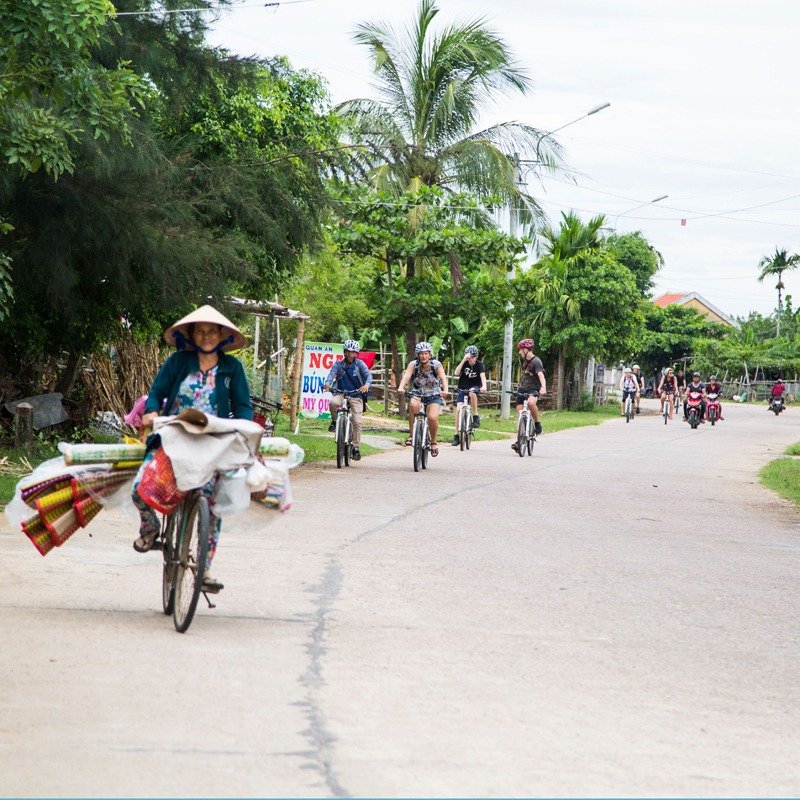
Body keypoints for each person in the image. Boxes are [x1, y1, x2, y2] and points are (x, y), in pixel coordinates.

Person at [133, 305, 253, 593]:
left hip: (214, 442)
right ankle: (150, 530)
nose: (207, 336)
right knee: (141, 487)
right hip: (174, 436)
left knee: (212, 506)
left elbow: (243, 406)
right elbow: (157, 394)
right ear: (191, 334)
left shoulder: (232, 369)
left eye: (212, 331)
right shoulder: (177, 362)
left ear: (223, 335)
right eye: (201, 331)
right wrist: (151, 412)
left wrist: (243, 428)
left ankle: (205, 568)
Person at [323, 339, 372, 461]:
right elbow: (331, 375)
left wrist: (366, 385)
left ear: (357, 353)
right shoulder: (338, 364)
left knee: (357, 421)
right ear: (344, 352)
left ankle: (356, 447)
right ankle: (334, 422)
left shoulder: (359, 364)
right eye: (348, 352)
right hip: (340, 392)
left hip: (356, 394)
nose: (350, 354)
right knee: (333, 403)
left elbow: (368, 376)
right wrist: (328, 383)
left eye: (353, 352)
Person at [397, 341, 449, 457]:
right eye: (421, 354)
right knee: (413, 406)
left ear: (430, 354)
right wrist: (401, 387)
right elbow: (406, 376)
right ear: (418, 355)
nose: (423, 356)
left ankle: (434, 442)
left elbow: (443, 378)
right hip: (417, 393)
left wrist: (445, 390)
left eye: (426, 353)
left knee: (432, 417)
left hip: (434, 395)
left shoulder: (436, 365)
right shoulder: (413, 364)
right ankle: (412, 435)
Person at [511, 338, 547, 451]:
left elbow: (541, 376)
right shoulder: (525, 361)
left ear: (526, 349)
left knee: (531, 404)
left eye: (521, 350)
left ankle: (537, 424)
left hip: (534, 389)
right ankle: (520, 438)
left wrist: (543, 387)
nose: (520, 352)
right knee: (520, 412)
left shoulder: (536, 361)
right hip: (523, 388)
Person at [451, 345, 487, 445]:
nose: (471, 359)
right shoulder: (465, 363)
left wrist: (484, 386)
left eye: (473, 357)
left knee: (472, 392)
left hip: (474, 386)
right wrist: (463, 360)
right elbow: (456, 372)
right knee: (458, 409)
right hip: (462, 387)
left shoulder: (479, 365)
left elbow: (482, 376)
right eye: (469, 357)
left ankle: (475, 415)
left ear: (476, 357)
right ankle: (456, 435)